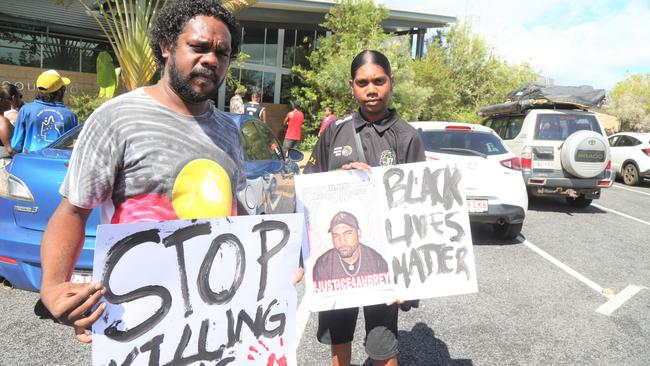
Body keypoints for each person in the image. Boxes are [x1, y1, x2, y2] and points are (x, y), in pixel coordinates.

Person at [39, 0, 248, 343]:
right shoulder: (116, 119)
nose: (211, 59)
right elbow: (74, 211)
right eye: (198, 47)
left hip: (211, 326)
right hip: (137, 325)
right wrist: (53, 288)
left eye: (221, 53)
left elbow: (235, 211)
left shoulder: (228, 130)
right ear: (166, 47)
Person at [303, 50, 426, 366]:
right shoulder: (335, 131)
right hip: (339, 261)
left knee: (383, 347)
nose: (371, 89)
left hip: (385, 260)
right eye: (363, 82)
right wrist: (338, 180)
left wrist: (407, 278)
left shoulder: (407, 136)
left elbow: (419, 206)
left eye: (378, 81)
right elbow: (311, 185)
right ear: (352, 86)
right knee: (338, 339)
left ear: (391, 83)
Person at [10, 69, 78, 153]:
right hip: (57, 164)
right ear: (61, 91)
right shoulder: (71, 116)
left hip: (30, 161)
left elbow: (16, 144)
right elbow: (72, 148)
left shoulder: (26, 110)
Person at [312, 211, 388, 284]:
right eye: (336, 235)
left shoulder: (376, 261)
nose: (342, 240)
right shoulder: (323, 264)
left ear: (358, 233)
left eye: (347, 233)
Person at [0, 85, 15, 164]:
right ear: (1, 100)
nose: (11, 101)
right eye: (9, 98)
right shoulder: (2, 121)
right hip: (3, 164)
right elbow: (10, 150)